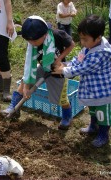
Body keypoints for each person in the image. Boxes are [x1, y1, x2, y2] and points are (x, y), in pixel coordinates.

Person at [0, 15, 75, 130]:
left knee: (62, 98)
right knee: (22, 85)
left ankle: (67, 117)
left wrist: (60, 59)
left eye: (34, 40)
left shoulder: (57, 34)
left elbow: (71, 45)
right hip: (43, 67)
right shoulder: (32, 43)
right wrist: (26, 87)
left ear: (44, 34)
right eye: (29, 40)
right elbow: (30, 66)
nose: (32, 43)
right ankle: (13, 107)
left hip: (57, 70)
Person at [52, 15, 111, 147]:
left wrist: (63, 71)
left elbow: (83, 68)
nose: (82, 42)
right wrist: (66, 64)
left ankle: (103, 134)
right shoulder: (89, 47)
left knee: (102, 114)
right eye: (81, 38)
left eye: (85, 39)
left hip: (103, 92)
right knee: (93, 109)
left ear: (98, 37)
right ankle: (93, 126)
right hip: (92, 89)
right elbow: (78, 59)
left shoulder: (101, 53)